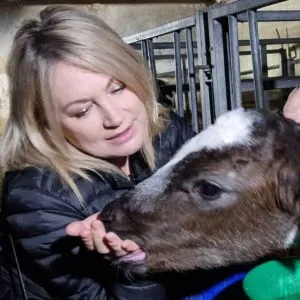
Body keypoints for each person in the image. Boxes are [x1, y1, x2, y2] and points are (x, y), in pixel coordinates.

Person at [0, 5, 195, 300]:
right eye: (82, 110)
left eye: (118, 88)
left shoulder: (164, 128)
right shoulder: (37, 196)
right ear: (44, 122)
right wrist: (132, 265)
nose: (114, 117)